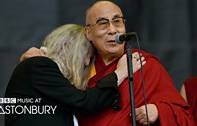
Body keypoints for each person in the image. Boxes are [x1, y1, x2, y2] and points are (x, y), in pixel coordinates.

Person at [20, 1, 195, 125]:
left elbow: (184, 115)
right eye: (103, 24)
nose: (112, 30)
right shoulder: (81, 67)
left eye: (117, 21)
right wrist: (41, 56)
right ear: (89, 33)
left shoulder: (144, 64)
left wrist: (159, 110)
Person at [5, 24, 145, 126]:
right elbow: (84, 102)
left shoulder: (40, 70)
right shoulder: (39, 65)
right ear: (66, 47)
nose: (87, 62)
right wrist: (120, 73)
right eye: (86, 54)